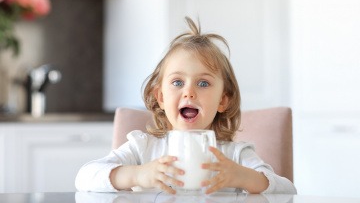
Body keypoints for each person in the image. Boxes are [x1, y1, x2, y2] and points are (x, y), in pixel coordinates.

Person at [75, 17, 297, 195]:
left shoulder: (234, 155)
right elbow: (84, 177)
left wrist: (243, 177)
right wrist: (137, 175)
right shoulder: (143, 148)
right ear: (161, 97)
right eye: (177, 82)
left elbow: (288, 189)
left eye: (203, 83)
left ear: (222, 100)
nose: (189, 92)